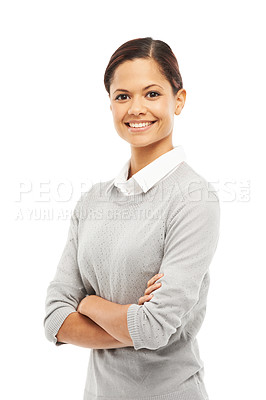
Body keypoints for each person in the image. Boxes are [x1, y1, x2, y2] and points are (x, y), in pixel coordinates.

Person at [43, 37, 220, 400]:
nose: (136, 108)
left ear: (179, 100)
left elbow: (154, 329)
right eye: (123, 96)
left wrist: (88, 304)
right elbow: (54, 319)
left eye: (152, 94)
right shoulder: (92, 202)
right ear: (110, 104)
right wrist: (132, 322)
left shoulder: (193, 200)